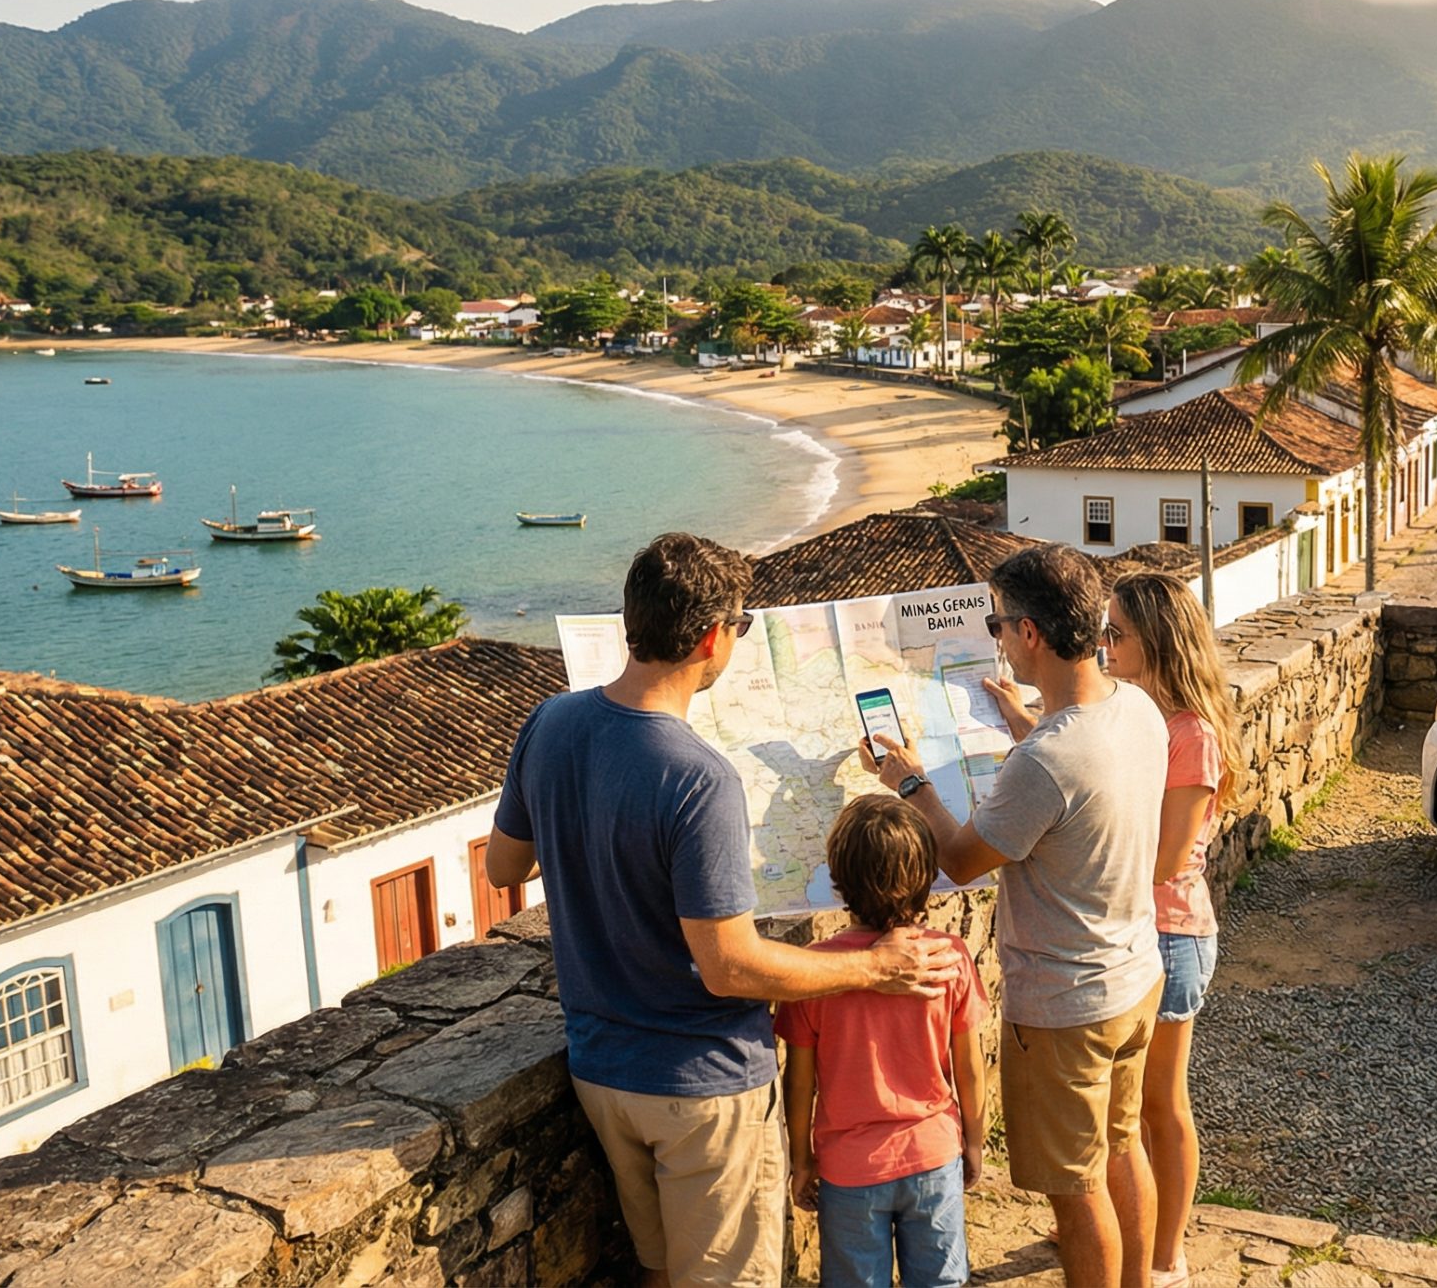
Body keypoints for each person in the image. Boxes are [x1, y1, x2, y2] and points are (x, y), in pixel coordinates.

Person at [486, 532, 963, 1288]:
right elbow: (729, 964)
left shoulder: (548, 723)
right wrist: (874, 963)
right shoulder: (699, 777)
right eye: (738, 628)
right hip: (699, 1084)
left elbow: (505, 866)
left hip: (601, 1067)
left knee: (658, 1270)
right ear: (713, 636)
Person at [862, 544, 1169, 1288]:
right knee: (1123, 1146)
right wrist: (1028, 722)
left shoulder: (1046, 760)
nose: (996, 637)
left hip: (1066, 1007)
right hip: (1135, 976)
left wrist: (910, 783)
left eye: (999, 623)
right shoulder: (1137, 707)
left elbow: (962, 859)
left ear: (1030, 632)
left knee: (1076, 1186)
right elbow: (1078, 778)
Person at [779, 795, 988, 1288]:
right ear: (927, 876)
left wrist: (801, 1159)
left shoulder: (815, 971)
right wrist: (974, 1141)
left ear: (839, 878)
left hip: (850, 1170)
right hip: (934, 1156)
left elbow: (800, 1080)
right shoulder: (948, 957)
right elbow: (970, 1067)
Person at [1101, 572, 1235, 1288]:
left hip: (1172, 933)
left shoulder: (1193, 734)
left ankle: (1166, 1254)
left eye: (1116, 632)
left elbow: (1167, 855)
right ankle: (1126, 1236)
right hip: (1133, 928)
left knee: (1160, 1103)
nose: (1104, 645)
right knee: (1120, 1108)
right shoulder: (1134, 713)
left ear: (1154, 639)